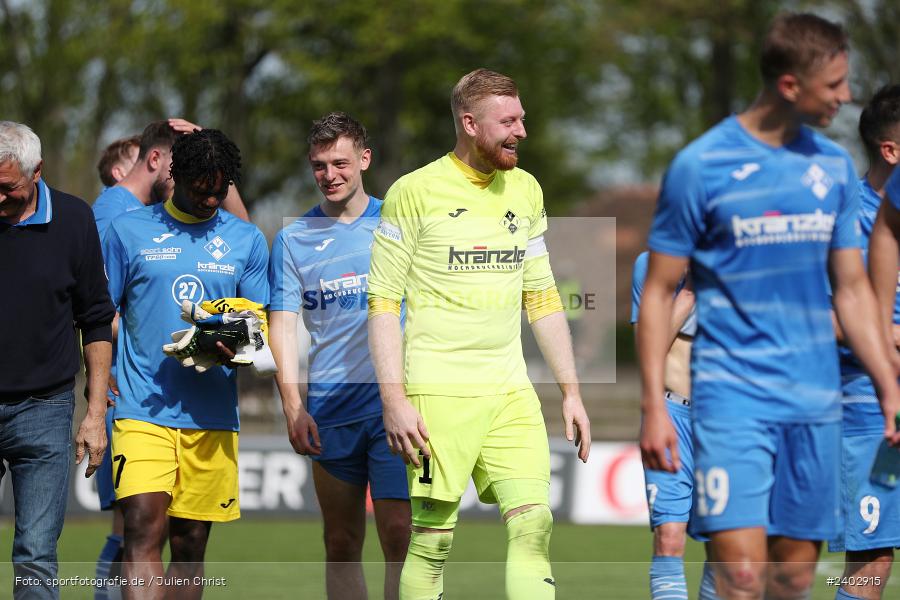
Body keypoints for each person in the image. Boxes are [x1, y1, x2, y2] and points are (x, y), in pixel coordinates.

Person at [638, 13, 900, 600]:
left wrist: (887, 382)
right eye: (834, 84)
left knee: (793, 578)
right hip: (731, 400)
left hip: (815, 404)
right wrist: (653, 404)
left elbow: (853, 290)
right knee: (741, 575)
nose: (846, 96)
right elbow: (658, 292)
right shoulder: (700, 166)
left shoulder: (831, 167)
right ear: (789, 85)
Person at [367, 68, 591, 600]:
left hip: (510, 391)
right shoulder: (412, 192)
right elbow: (382, 305)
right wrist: (394, 400)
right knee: (431, 544)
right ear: (469, 124)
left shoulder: (526, 189)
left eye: (521, 119)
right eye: (508, 121)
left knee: (534, 524)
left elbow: (542, 295)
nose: (521, 131)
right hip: (437, 393)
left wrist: (571, 392)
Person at [101, 128, 269, 600]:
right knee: (141, 528)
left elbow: (258, 326)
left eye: (220, 191)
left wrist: (233, 347)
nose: (211, 200)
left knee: (190, 544)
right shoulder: (128, 231)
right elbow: (99, 315)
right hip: (142, 408)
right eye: (201, 190)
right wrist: (102, 378)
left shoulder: (247, 240)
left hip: (211, 415)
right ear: (176, 175)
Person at [269, 112, 410, 600]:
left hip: (394, 406)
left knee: (400, 536)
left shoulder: (400, 223)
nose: (329, 175)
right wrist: (293, 406)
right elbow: (282, 326)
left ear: (364, 159)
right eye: (319, 165)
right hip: (330, 409)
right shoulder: (293, 239)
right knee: (341, 542)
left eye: (340, 163)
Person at [0, 120, 114, 599]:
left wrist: (95, 413)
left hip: (45, 409)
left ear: (37, 171)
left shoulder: (74, 219)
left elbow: (96, 319)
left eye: (7, 187)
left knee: (35, 554)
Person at [839, 86, 900, 600]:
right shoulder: (845, 220)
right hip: (867, 410)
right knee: (872, 560)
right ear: (891, 150)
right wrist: (888, 334)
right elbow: (826, 320)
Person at [632, 252, 718, 600]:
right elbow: (646, 347)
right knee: (668, 537)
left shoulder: (739, 260)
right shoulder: (652, 265)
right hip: (671, 416)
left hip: (725, 419)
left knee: (725, 545)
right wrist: (689, 292)